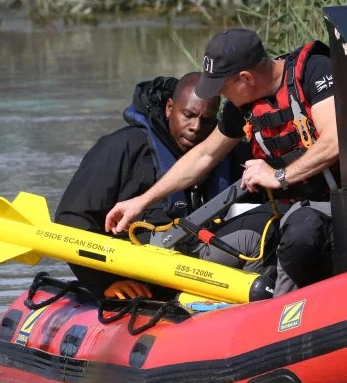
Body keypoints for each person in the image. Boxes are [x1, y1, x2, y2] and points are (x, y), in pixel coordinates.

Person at [105, 29, 340, 296]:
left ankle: (284, 316)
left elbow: (335, 140)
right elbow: (204, 156)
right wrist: (141, 202)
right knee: (210, 253)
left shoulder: (315, 71)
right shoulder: (243, 105)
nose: (221, 97)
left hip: (337, 203)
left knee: (300, 238)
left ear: (245, 78)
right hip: (289, 207)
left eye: (222, 87)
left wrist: (278, 176)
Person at [56, 71, 273, 299]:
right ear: (170, 108)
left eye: (207, 120)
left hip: (195, 265)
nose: (196, 127)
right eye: (188, 115)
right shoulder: (122, 147)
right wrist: (105, 283)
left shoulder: (226, 153)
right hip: (135, 274)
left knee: (268, 228)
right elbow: (72, 221)